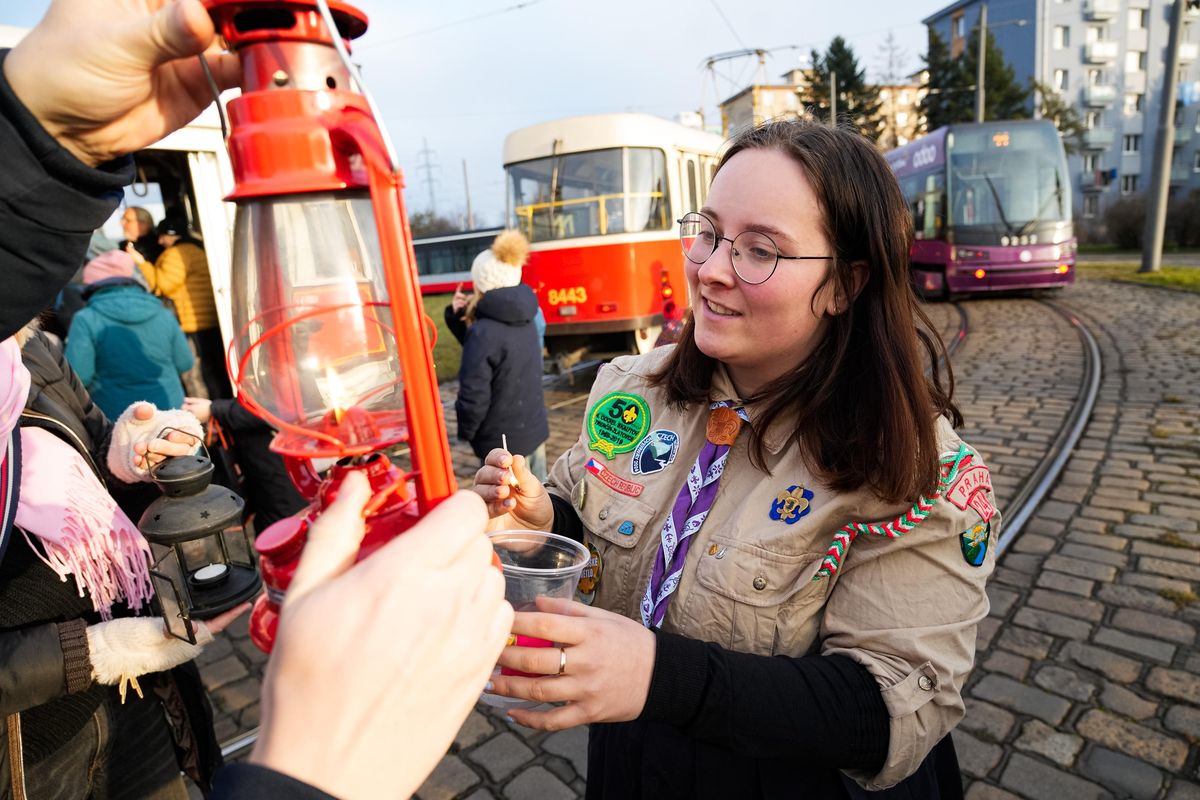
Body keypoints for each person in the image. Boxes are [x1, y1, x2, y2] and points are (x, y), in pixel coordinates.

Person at [3, 1, 513, 797]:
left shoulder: (29, 351)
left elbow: (74, 429)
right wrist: (314, 769)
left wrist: (118, 448)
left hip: (153, 718)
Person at [474, 119, 999, 799]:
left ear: (845, 283)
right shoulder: (634, 390)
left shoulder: (917, 472)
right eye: (710, 233)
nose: (712, 269)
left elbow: (888, 709)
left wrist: (658, 676)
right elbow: (606, 541)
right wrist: (545, 516)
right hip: (631, 763)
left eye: (760, 250)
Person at [450, 230, 549, 480]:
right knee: (540, 496)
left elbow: (474, 394)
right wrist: (457, 317)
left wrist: (467, 431)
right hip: (533, 430)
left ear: (480, 284)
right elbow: (499, 350)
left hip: (501, 442)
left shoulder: (484, 332)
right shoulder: (528, 315)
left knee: (512, 510)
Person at [65, 250, 194, 420]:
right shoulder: (163, 313)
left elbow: (79, 375)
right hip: (169, 411)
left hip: (118, 418)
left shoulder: (85, 319)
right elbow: (185, 363)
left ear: (91, 285)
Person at [182, 395, 308, 534]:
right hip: (258, 465)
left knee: (285, 535)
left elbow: (286, 406)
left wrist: (217, 410)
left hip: (281, 467)